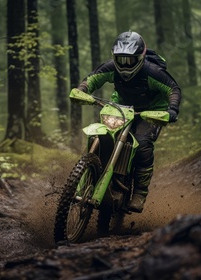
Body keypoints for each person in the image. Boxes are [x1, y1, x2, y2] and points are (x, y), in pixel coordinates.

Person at [72, 31, 182, 213]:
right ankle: (89, 171)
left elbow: (173, 89)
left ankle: (139, 192)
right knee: (103, 133)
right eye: (120, 59)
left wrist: (172, 110)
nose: (124, 64)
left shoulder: (152, 72)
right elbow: (93, 78)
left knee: (143, 144)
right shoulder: (111, 68)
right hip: (121, 106)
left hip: (151, 111)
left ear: (140, 58)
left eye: (129, 60)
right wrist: (81, 89)